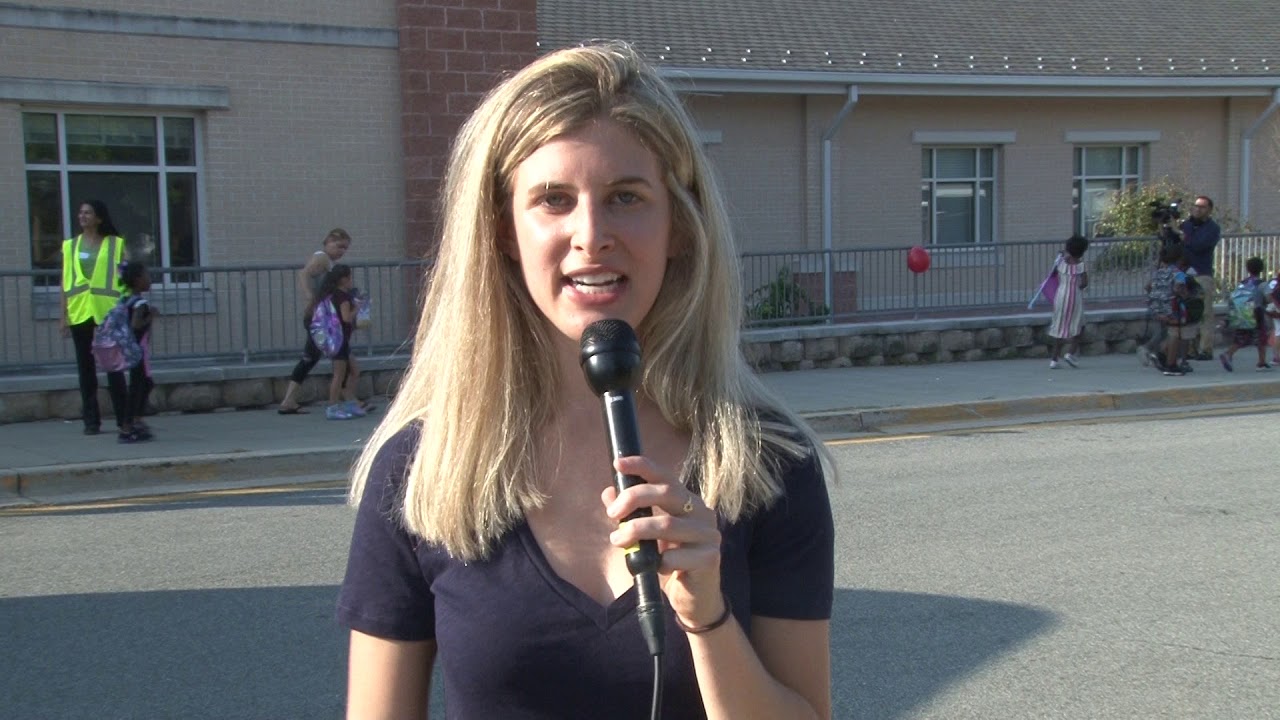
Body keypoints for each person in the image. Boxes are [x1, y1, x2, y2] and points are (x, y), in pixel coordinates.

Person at [336, 42, 835, 720]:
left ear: (678, 229)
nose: (591, 234)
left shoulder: (768, 464)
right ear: (505, 232)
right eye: (553, 200)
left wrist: (707, 617)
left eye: (626, 197)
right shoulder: (422, 474)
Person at [61, 200, 128, 435]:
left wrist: (126, 309)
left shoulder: (115, 244)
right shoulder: (70, 246)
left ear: (99, 218)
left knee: (113, 367)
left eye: (88, 212)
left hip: (106, 311)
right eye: (80, 212)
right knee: (85, 369)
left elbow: (124, 277)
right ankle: (91, 421)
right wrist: (64, 315)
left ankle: (123, 418)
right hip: (80, 311)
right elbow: (66, 281)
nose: (82, 216)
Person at [277, 228, 351, 414]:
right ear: (327, 242)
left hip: (320, 317)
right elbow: (304, 274)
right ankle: (348, 399)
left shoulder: (328, 261)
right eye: (338, 246)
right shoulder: (322, 258)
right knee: (337, 355)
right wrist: (310, 296)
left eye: (345, 248)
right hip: (318, 318)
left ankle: (289, 400)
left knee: (312, 357)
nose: (341, 251)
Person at [110, 261, 158, 443]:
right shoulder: (140, 303)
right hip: (139, 352)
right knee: (138, 387)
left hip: (131, 350)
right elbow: (136, 325)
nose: (149, 280)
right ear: (137, 280)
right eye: (146, 276)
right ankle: (128, 425)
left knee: (145, 384)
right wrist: (151, 315)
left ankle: (136, 420)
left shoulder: (126, 300)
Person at [311, 263, 365, 420]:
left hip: (342, 341)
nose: (351, 280)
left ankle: (349, 401)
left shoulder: (334, 295)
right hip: (338, 341)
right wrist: (358, 308)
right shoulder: (342, 297)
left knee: (355, 371)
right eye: (349, 277)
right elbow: (346, 318)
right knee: (339, 374)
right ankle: (332, 406)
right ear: (343, 279)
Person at [1180, 195, 1221, 359]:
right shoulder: (1186, 225)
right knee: (1188, 313)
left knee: (1204, 312)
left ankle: (1206, 349)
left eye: (1202, 207)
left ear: (1209, 210)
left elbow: (1198, 246)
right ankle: (1189, 348)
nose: (1197, 209)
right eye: (1196, 206)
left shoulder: (1212, 228)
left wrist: (1183, 237)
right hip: (1184, 273)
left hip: (1202, 273)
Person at [1218, 256, 1271, 372]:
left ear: (1248, 269)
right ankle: (1261, 363)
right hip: (1257, 314)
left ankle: (1229, 354)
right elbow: (1269, 298)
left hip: (1242, 313)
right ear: (1261, 269)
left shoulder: (1242, 283)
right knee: (1261, 337)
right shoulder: (1262, 284)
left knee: (1242, 337)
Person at [1047, 234, 1089, 369]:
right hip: (1075, 296)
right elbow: (1084, 283)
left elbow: (1052, 275)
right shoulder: (1081, 265)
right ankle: (1070, 353)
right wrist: (1078, 287)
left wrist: (1059, 258)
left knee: (1059, 326)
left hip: (1060, 296)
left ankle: (1054, 359)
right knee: (1079, 325)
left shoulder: (1060, 262)